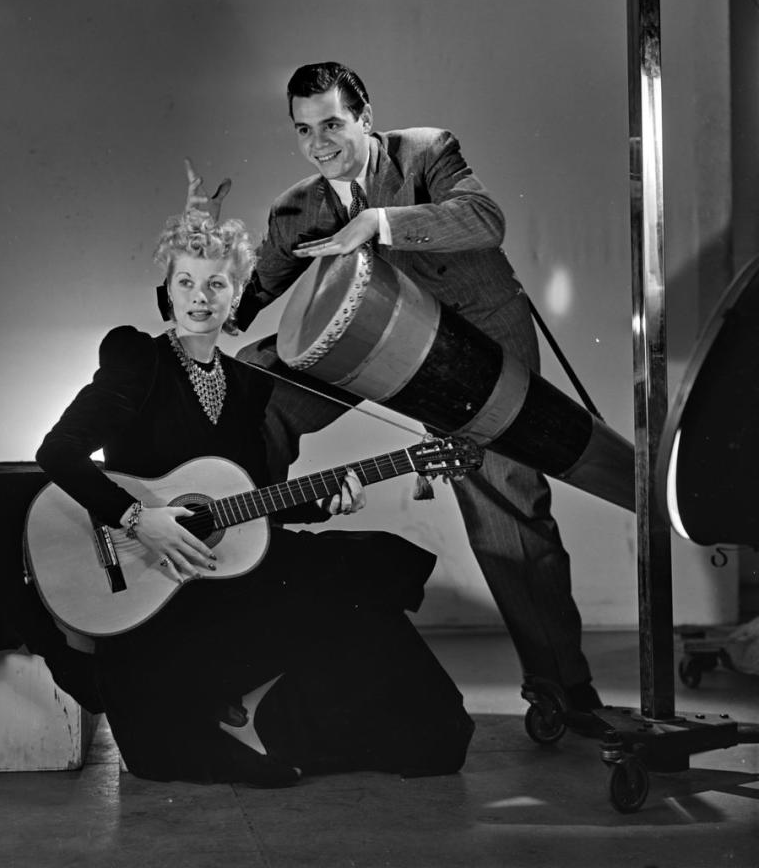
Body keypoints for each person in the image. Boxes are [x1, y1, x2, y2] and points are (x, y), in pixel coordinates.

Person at [35, 194, 474, 786]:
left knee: (366, 570)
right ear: (167, 290)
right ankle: (217, 722)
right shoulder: (137, 360)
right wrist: (140, 518)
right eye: (185, 282)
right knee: (342, 579)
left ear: (236, 295)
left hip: (217, 572)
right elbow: (56, 452)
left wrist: (325, 500)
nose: (199, 298)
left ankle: (338, 732)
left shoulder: (247, 384)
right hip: (152, 588)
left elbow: (254, 501)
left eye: (216, 285)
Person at [230, 61, 602, 718]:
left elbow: (484, 219)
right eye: (304, 129)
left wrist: (378, 224)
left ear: (366, 117)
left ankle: (562, 689)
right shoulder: (298, 210)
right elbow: (257, 287)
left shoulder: (427, 152)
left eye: (334, 124)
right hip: (368, 346)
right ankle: (232, 574)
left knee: (506, 509)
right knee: (249, 398)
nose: (320, 143)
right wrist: (209, 312)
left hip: (475, 345)